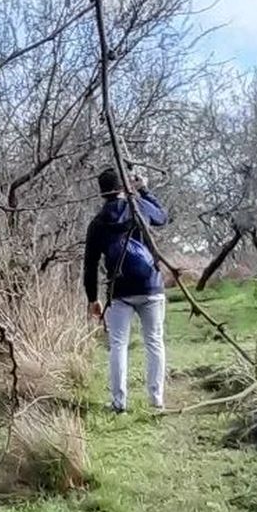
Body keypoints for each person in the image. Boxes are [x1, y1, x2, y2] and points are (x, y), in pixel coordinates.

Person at [83, 167, 170, 413]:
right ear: (124, 187)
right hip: (150, 285)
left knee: (118, 345)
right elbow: (162, 217)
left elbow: (89, 265)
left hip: (119, 291)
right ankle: (156, 400)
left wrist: (93, 299)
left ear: (102, 193)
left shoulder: (97, 223)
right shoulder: (139, 206)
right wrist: (143, 189)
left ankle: (119, 403)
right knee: (154, 341)